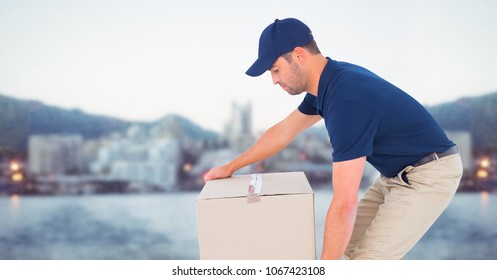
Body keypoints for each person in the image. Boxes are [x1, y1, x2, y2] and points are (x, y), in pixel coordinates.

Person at [203, 18, 463, 260]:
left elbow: (344, 204)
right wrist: (230, 167)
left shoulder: (346, 101)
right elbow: (282, 132)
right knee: (347, 248)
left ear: (298, 56)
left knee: (366, 262)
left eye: (275, 70)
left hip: (428, 174)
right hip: (394, 175)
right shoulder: (326, 85)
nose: (274, 80)